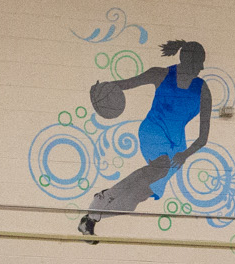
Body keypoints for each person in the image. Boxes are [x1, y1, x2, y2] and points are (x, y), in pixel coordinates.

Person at [80, 40, 212, 234]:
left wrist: (185, 154)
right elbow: (124, 84)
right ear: (186, 60)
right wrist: (99, 91)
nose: (201, 67)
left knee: (138, 196)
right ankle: (106, 196)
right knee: (161, 166)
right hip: (153, 130)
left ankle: (91, 218)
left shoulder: (203, 90)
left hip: (178, 145)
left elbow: (203, 138)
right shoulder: (161, 74)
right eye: (199, 62)